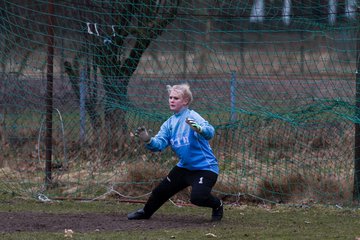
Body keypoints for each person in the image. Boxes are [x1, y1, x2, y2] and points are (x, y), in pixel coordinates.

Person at [127, 83, 223, 221]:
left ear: (185, 101)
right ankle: (145, 212)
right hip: (184, 167)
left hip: (205, 168)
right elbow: (159, 144)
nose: (171, 100)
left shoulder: (192, 116)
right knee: (160, 192)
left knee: (198, 198)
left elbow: (210, 132)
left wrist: (200, 129)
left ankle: (218, 205)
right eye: (170, 97)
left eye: (176, 98)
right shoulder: (169, 123)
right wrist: (148, 140)